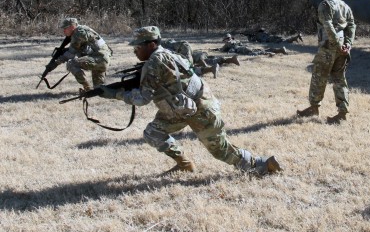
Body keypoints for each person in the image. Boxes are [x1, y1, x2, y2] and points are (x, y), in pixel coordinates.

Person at [98, 26, 282, 176]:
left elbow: (142, 99)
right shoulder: (166, 54)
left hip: (200, 109)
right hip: (181, 109)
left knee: (221, 151)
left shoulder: (155, 61)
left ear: (152, 44)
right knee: (153, 132)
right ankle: (185, 164)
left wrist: (114, 94)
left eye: (138, 46)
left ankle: (263, 165)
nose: (135, 50)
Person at [297, 0, 356, 124]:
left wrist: (337, 45)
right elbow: (351, 25)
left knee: (318, 76)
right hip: (342, 47)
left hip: (329, 46)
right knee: (339, 79)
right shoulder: (344, 5)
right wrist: (347, 44)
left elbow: (328, 26)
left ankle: (314, 107)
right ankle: (342, 113)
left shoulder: (325, 5)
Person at [55, 17, 112, 92]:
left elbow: (71, 53)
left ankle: (87, 87)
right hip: (102, 59)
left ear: (72, 27)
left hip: (99, 59)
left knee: (71, 64)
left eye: (65, 28)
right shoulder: (84, 29)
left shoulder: (79, 33)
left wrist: (57, 62)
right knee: (98, 90)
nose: (64, 31)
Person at [161, 37, 240, 79]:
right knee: (205, 59)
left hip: (182, 53)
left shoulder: (160, 47)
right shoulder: (162, 43)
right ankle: (230, 60)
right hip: (189, 52)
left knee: (188, 69)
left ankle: (209, 68)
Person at [220, 33, 287, 56]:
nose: (226, 40)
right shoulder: (236, 40)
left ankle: (270, 53)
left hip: (241, 49)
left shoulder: (228, 43)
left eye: (226, 39)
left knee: (254, 53)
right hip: (244, 47)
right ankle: (279, 50)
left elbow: (222, 50)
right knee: (258, 50)